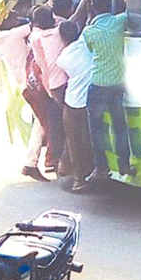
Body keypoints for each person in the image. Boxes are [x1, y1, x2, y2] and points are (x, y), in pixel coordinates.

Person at [29, 0, 93, 177]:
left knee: (63, 124)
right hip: (60, 86)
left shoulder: (36, 35)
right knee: (72, 127)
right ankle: (66, 167)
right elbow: (77, 16)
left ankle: (61, 164)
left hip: (50, 86)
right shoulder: (56, 34)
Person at [82, 0, 135, 182]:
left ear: (93, 8)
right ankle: (124, 164)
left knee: (96, 129)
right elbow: (130, 12)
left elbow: (90, 50)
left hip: (98, 85)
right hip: (118, 84)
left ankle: (101, 167)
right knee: (119, 125)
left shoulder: (89, 32)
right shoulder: (119, 22)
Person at [0, 4, 48, 182]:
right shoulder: (13, 35)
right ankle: (31, 163)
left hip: (25, 82)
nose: (18, 20)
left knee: (41, 122)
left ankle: (38, 160)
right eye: (14, 18)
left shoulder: (3, 37)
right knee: (41, 122)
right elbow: (37, 23)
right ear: (7, 22)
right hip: (30, 83)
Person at [55, 20, 95, 192]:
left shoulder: (62, 59)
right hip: (90, 101)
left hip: (72, 103)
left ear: (62, 39)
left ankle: (77, 178)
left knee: (74, 141)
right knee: (85, 140)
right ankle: (66, 168)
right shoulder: (87, 45)